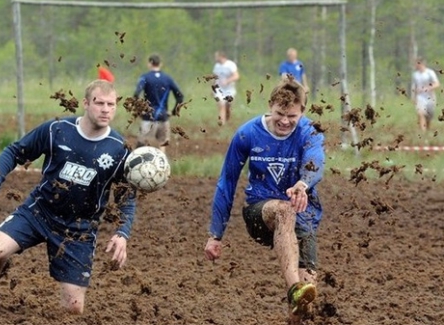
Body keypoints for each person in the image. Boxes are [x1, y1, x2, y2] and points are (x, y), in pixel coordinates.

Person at [0, 80, 136, 314]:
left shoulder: (119, 149)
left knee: (73, 310)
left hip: (79, 230)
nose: (106, 109)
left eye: (111, 104)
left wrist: (122, 233)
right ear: (86, 103)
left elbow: (127, 195)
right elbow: (14, 151)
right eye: (99, 103)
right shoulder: (57, 130)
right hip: (39, 212)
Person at [204, 77, 325, 325]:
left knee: (305, 305)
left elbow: (316, 162)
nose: (284, 121)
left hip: (303, 212)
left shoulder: (309, 131)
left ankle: (298, 299)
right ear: (270, 105)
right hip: (261, 210)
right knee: (283, 211)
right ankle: (294, 288)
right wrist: (216, 234)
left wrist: (303, 184)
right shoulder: (248, 134)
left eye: (292, 116)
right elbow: (227, 181)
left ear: (302, 111)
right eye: (280, 113)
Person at [133, 54, 184, 153]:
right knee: (162, 145)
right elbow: (180, 96)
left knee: (142, 148)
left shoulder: (145, 77)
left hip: (148, 117)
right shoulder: (167, 79)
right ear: (160, 64)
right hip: (163, 117)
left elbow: (136, 94)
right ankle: (162, 167)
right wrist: (173, 112)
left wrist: (139, 111)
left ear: (150, 63)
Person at [411, 57, 441, 132]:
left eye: (418, 63)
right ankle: (423, 133)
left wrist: (428, 88)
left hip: (430, 97)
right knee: (421, 113)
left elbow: (437, 84)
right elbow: (414, 86)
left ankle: (427, 129)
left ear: (422, 64)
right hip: (420, 97)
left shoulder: (430, 73)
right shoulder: (415, 75)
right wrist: (414, 97)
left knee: (429, 116)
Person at [212, 51, 240, 125]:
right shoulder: (216, 66)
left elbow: (236, 76)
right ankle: (222, 123)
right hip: (219, 89)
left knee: (228, 106)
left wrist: (227, 81)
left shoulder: (230, 65)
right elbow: (214, 77)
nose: (215, 58)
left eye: (216, 56)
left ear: (221, 56)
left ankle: (227, 119)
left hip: (229, 89)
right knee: (221, 104)